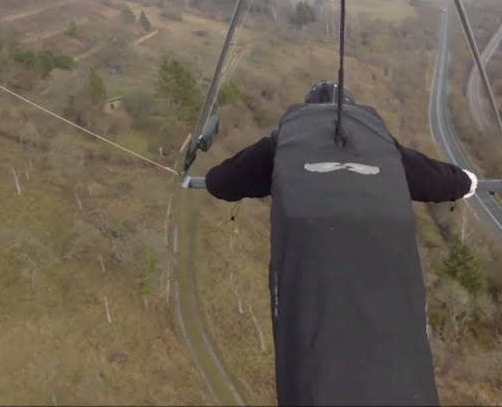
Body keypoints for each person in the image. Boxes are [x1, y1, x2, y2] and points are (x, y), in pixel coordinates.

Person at [204, 81, 479, 406]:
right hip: (378, 279)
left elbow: (223, 181)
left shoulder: (285, 145)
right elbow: (433, 177)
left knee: (319, 367)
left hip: (316, 286)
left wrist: (216, 179)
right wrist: (467, 182)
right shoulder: (381, 147)